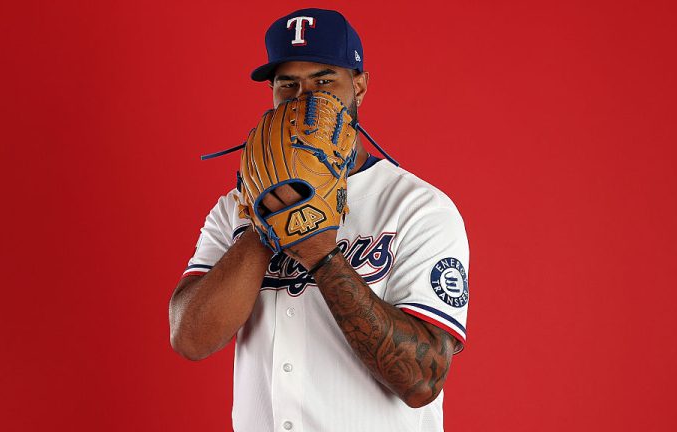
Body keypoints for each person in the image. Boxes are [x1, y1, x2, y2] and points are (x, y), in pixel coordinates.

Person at [169, 8, 470, 432]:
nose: (304, 96)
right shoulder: (236, 208)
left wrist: (320, 253)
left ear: (359, 85)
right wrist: (266, 219)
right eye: (287, 84)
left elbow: (422, 379)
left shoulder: (418, 209)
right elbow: (190, 338)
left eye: (324, 80)